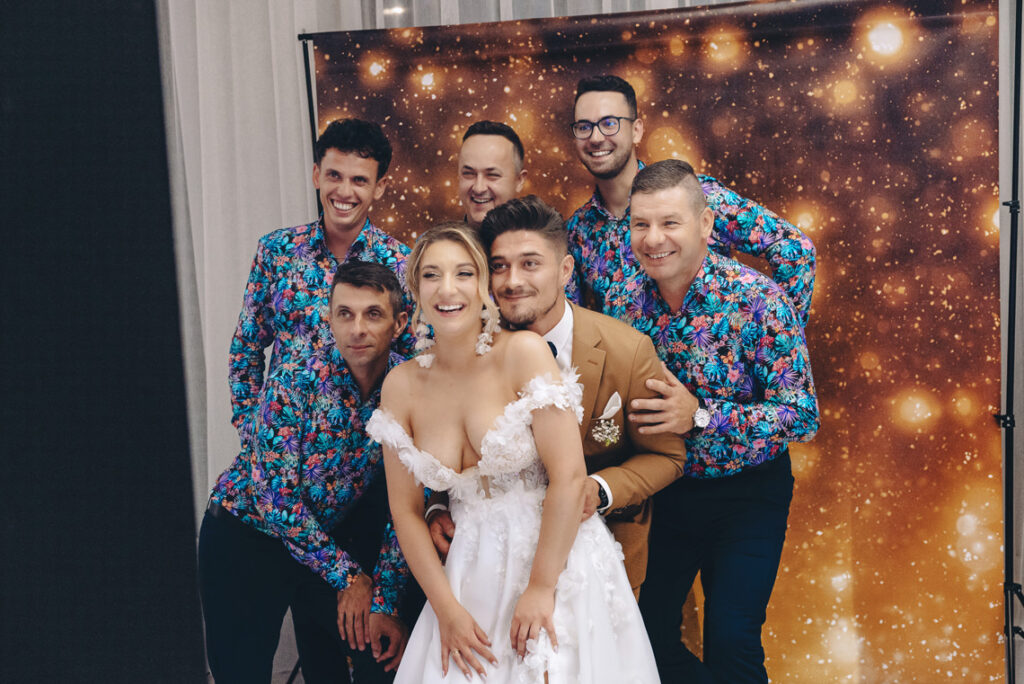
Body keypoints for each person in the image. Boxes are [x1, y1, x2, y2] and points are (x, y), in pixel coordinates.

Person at [366, 223, 659, 682]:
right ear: (415, 290)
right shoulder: (400, 385)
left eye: (464, 273)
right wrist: (446, 610)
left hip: (555, 559)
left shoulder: (523, 352)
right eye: (431, 275)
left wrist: (541, 588)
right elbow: (405, 512)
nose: (447, 289)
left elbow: (568, 476)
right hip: (465, 573)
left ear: (483, 284)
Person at [603, 160, 820, 683]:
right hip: (665, 492)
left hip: (748, 495)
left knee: (731, 640)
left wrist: (699, 416)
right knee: (643, 639)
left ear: (705, 225)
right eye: (640, 224)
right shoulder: (622, 302)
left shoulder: (759, 299)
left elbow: (802, 416)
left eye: (670, 223)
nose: (653, 239)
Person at [425, 195, 686, 596]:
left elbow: (667, 456)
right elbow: (447, 441)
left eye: (530, 264)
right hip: (489, 564)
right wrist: (438, 504)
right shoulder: (468, 348)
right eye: (500, 266)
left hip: (599, 559)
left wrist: (600, 489)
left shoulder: (627, 351)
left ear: (565, 270)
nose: (512, 281)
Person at [199, 262, 413, 683]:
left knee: (372, 654)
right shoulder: (295, 379)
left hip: (323, 547)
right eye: (345, 314)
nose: (357, 329)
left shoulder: (410, 386)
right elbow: (276, 502)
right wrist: (350, 576)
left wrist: (384, 599)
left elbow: (406, 501)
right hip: (244, 538)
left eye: (373, 314)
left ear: (399, 323)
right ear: (329, 319)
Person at [565, 74, 816, 323]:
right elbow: (575, 324)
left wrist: (780, 331)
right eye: (584, 127)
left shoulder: (698, 195)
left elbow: (795, 249)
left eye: (609, 123)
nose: (596, 138)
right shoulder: (577, 231)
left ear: (636, 130)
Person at [229, 118, 413, 440]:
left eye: (359, 180)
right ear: (317, 175)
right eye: (334, 176)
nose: (344, 191)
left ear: (379, 187)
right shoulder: (277, 251)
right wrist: (253, 430)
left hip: (370, 452)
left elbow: (415, 361)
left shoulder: (402, 265)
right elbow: (246, 348)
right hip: (285, 449)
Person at [457, 120, 527, 229]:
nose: (478, 188)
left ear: (519, 180)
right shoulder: (436, 239)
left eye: (492, 175)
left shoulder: (547, 238)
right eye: (469, 174)